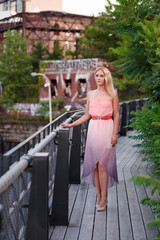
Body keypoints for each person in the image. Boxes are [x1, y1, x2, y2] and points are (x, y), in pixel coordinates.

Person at [61, 67, 119, 211]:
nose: (99, 78)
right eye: (97, 75)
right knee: (94, 165)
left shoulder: (113, 93)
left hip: (107, 127)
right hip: (93, 128)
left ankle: (104, 198)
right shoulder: (91, 94)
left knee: (102, 165)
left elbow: (116, 115)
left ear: (106, 78)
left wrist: (114, 134)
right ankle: (98, 196)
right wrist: (72, 124)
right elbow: (87, 115)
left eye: (102, 75)